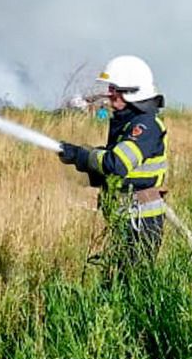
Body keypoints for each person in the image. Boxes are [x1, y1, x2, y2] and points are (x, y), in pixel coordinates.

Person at [57, 55, 169, 265]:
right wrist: (77, 156)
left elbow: (117, 164)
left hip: (140, 220)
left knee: (133, 281)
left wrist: (83, 156)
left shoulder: (145, 126)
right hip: (126, 216)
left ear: (133, 91)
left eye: (114, 89)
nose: (109, 94)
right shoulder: (130, 122)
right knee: (116, 278)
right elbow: (114, 166)